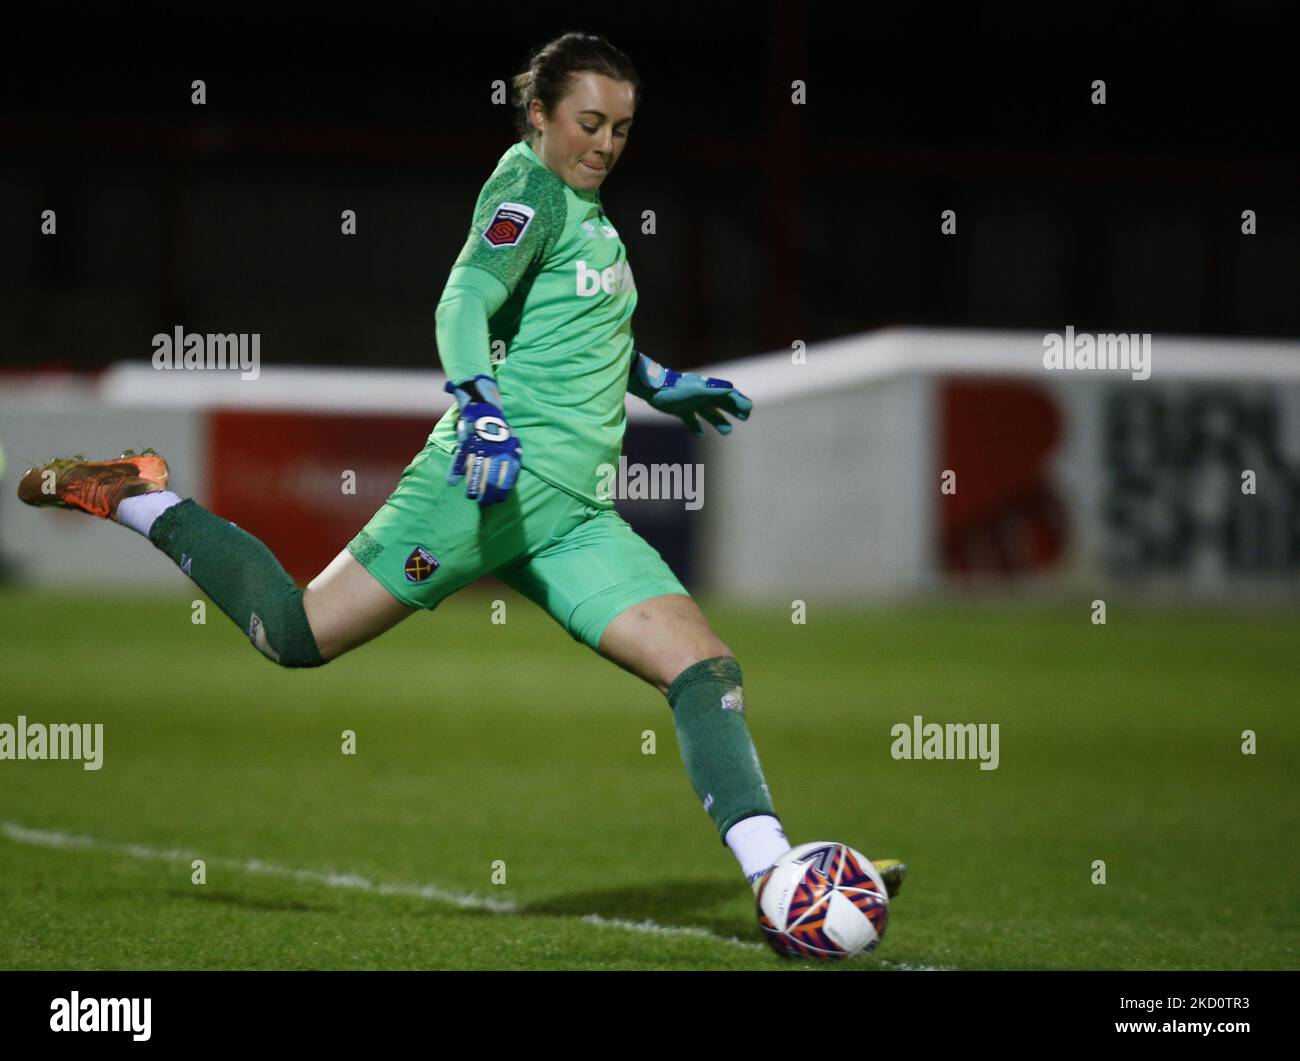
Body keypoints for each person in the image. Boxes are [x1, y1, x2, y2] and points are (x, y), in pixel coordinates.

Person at [18, 32, 902, 911]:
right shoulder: (529, 192)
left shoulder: (581, 209)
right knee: (291, 633)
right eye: (588, 123)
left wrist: (658, 381)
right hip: (484, 489)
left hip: (572, 514)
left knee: (703, 668)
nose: (604, 145)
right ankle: (139, 492)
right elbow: (465, 297)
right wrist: (479, 405)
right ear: (539, 114)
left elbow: (574, 326)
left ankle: (781, 877)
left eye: (622, 130)